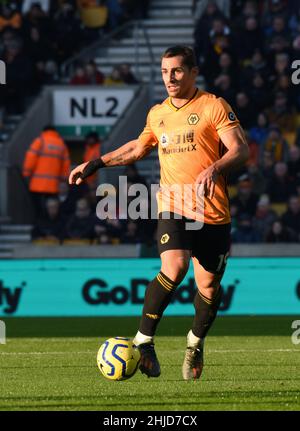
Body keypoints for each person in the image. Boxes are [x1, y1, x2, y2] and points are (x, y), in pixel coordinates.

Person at [69, 45, 249, 380]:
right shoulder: (157, 114)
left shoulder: (213, 106)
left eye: (177, 70)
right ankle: (144, 341)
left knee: (208, 288)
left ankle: (194, 343)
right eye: (165, 71)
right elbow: (137, 148)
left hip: (212, 212)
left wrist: (215, 168)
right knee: (175, 264)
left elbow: (240, 149)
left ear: (193, 72)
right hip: (175, 204)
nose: (170, 77)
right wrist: (95, 163)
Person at [23, 125, 70, 219]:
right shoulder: (61, 144)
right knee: (52, 208)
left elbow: (30, 158)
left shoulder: (40, 141)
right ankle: (50, 225)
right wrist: (64, 179)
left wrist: (26, 173)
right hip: (53, 185)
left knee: (38, 209)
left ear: (44, 131)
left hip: (37, 184)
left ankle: (39, 224)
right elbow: (66, 164)